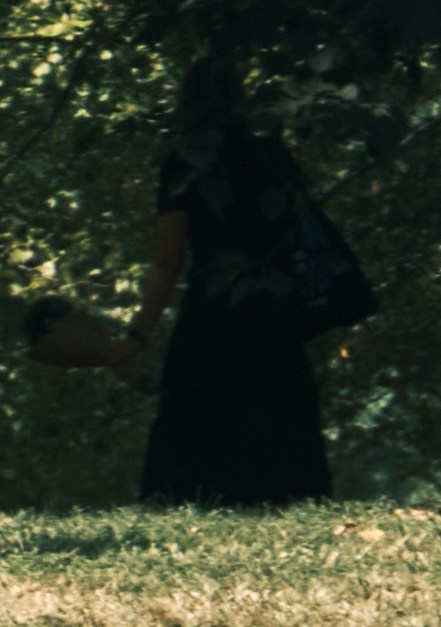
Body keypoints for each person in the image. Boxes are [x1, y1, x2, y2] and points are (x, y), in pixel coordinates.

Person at [128, 56, 337, 508]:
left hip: (212, 305)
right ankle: (286, 498)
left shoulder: (184, 163)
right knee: (278, 410)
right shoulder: (273, 155)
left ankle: (192, 500)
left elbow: (167, 261)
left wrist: (137, 334)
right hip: (273, 306)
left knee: (197, 415)